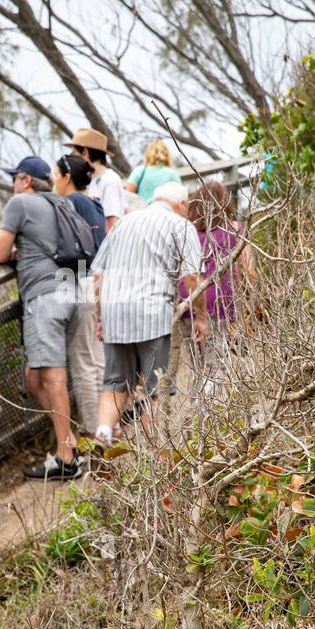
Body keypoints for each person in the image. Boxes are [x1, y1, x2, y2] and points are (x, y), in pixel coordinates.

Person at [91, 181, 207, 443]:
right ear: (182, 205)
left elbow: (98, 277)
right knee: (156, 389)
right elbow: (191, 278)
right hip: (153, 313)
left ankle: (103, 435)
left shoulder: (123, 223)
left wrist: (102, 318)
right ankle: (157, 458)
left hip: (115, 312)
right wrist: (201, 316)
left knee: (115, 384)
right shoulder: (180, 226)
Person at [0, 161, 84, 480]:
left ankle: (67, 458)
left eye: (14, 179)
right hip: (74, 293)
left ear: (25, 180)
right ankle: (69, 442)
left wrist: (15, 247)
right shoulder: (62, 201)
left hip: (44, 297)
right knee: (34, 377)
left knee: (52, 377)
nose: (11, 186)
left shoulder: (20, 203)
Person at [178, 181, 255, 402]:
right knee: (215, 364)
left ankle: (199, 414)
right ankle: (211, 415)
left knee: (197, 365)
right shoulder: (235, 230)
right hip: (220, 302)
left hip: (190, 299)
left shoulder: (187, 231)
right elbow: (250, 271)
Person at [53, 153, 106, 434]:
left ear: (66, 177)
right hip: (101, 281)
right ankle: (107, 426)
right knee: (97, 358)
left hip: (82, 281)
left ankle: (97, 432)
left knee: (83, 363)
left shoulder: (70, 203)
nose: (53, 181)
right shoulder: (95, 203)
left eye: (55, 174)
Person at [66, 128, 127, 233]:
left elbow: (111, 223)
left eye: (74, 152)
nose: (71, 157)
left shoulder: (109, 180)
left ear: (85, 152)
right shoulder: (91, 179)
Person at [126, 139, 182, 204]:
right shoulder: (172, 174)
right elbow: (180, 198)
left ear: (147, 154)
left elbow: (128, 195)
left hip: (142, 211)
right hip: (165, 212)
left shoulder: (139, 171)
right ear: (167, 154)